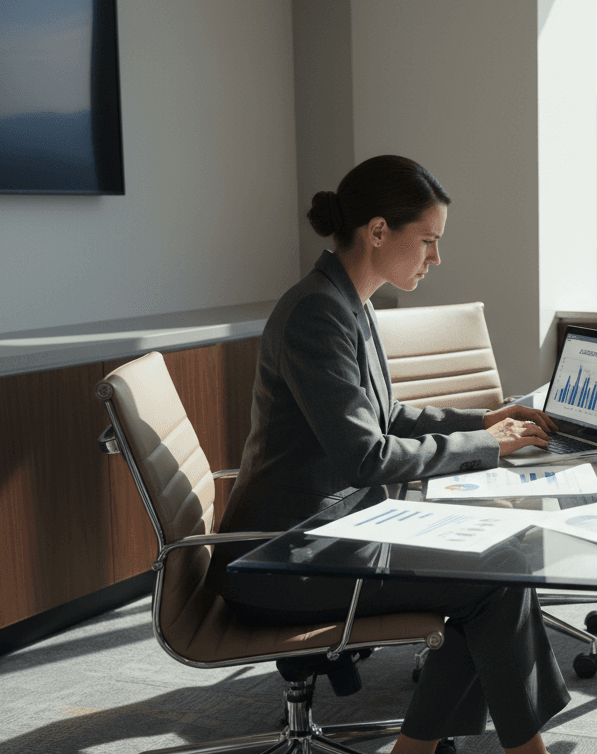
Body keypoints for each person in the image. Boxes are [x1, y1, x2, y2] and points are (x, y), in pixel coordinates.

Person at [206, 155, 567, 754]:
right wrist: (488, 447)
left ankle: (420, 749)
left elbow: (387, 415)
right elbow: (366, 457)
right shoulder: (317, 313)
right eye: (427, 240)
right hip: (283, 557)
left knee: (497, 568)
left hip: (333, 535)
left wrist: (483, 420)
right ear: (378, 231)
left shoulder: (351, 300)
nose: (436, 257)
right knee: (496, 578)